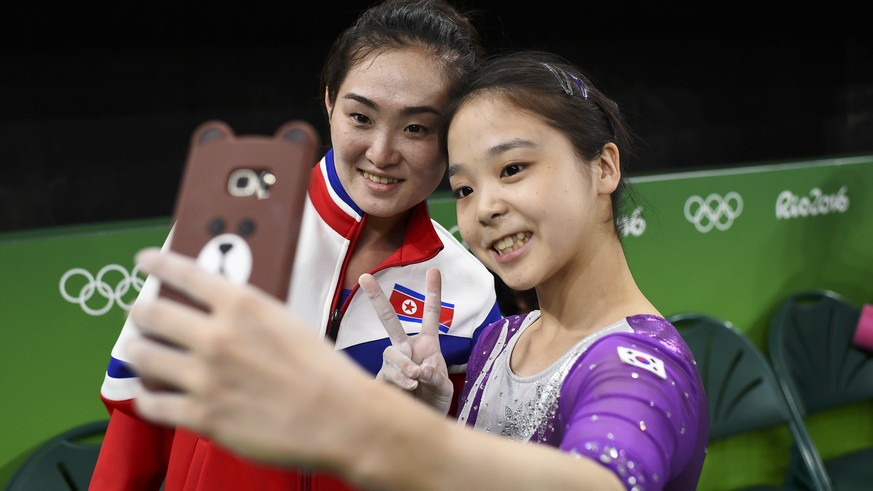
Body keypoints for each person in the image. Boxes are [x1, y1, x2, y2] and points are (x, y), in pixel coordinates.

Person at [124, 50, 709, 491]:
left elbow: (604, 480)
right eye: (463, 187)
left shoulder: (641, 366)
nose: (485, 208)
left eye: (512, 169)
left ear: (603, 167)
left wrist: (389, 435)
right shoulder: (504, 339)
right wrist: (429, 412)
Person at [89, 1, 502, 490]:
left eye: (417, 128)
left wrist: (422, 428)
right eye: (361, 117)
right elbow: (139, 410)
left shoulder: (468, 289)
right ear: (330, 102)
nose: (382, 152)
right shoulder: (230, 224)